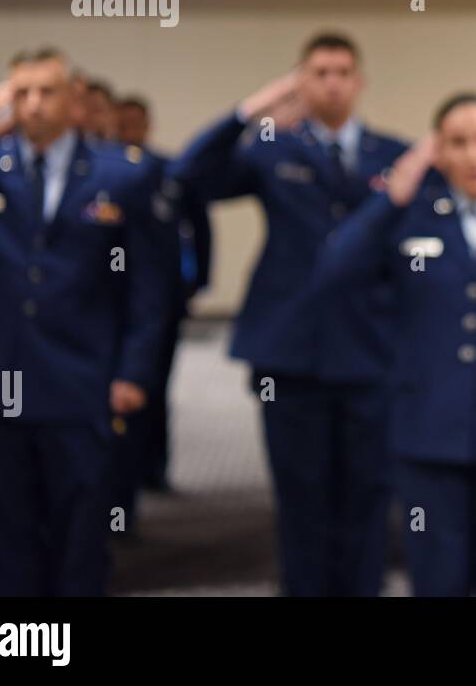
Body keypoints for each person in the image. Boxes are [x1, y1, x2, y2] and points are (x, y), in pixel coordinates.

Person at [0, 48, 172, 595]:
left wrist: (133, 372)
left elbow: (150, 287)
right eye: (21, 92)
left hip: (80, 379)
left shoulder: (123, 172)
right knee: (5, 534)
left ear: (74, 99)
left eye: (47, 91)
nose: (33, 104)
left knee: (79, 536)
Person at [171, 32, 407, 596]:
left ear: (359, 82)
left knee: (366, 496)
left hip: (370, 349)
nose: (330, 82)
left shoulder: (393, 155)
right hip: (290, 349)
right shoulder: (272, 147)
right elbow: (188, 176)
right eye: (318, 72)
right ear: (300, 81)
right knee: (301, 498)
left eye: (341, 71)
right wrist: (251, 109)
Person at [317, 94, 476, 596]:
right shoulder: (412, 218)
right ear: (438, 151)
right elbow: (333, 270)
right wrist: (394, 191)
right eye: (456, 143)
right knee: (437, 578)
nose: (473, 156)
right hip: (428, 432)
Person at [112, 96, 212, 507]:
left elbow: (199, 226)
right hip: (118, 303)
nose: (131, 127)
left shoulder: (167, 172)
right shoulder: (107, 172)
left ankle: (156, 467)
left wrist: (199, 279)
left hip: (165, 298)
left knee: (156, 386)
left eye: (138, 120)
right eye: (125, 121)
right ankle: (127, 483)